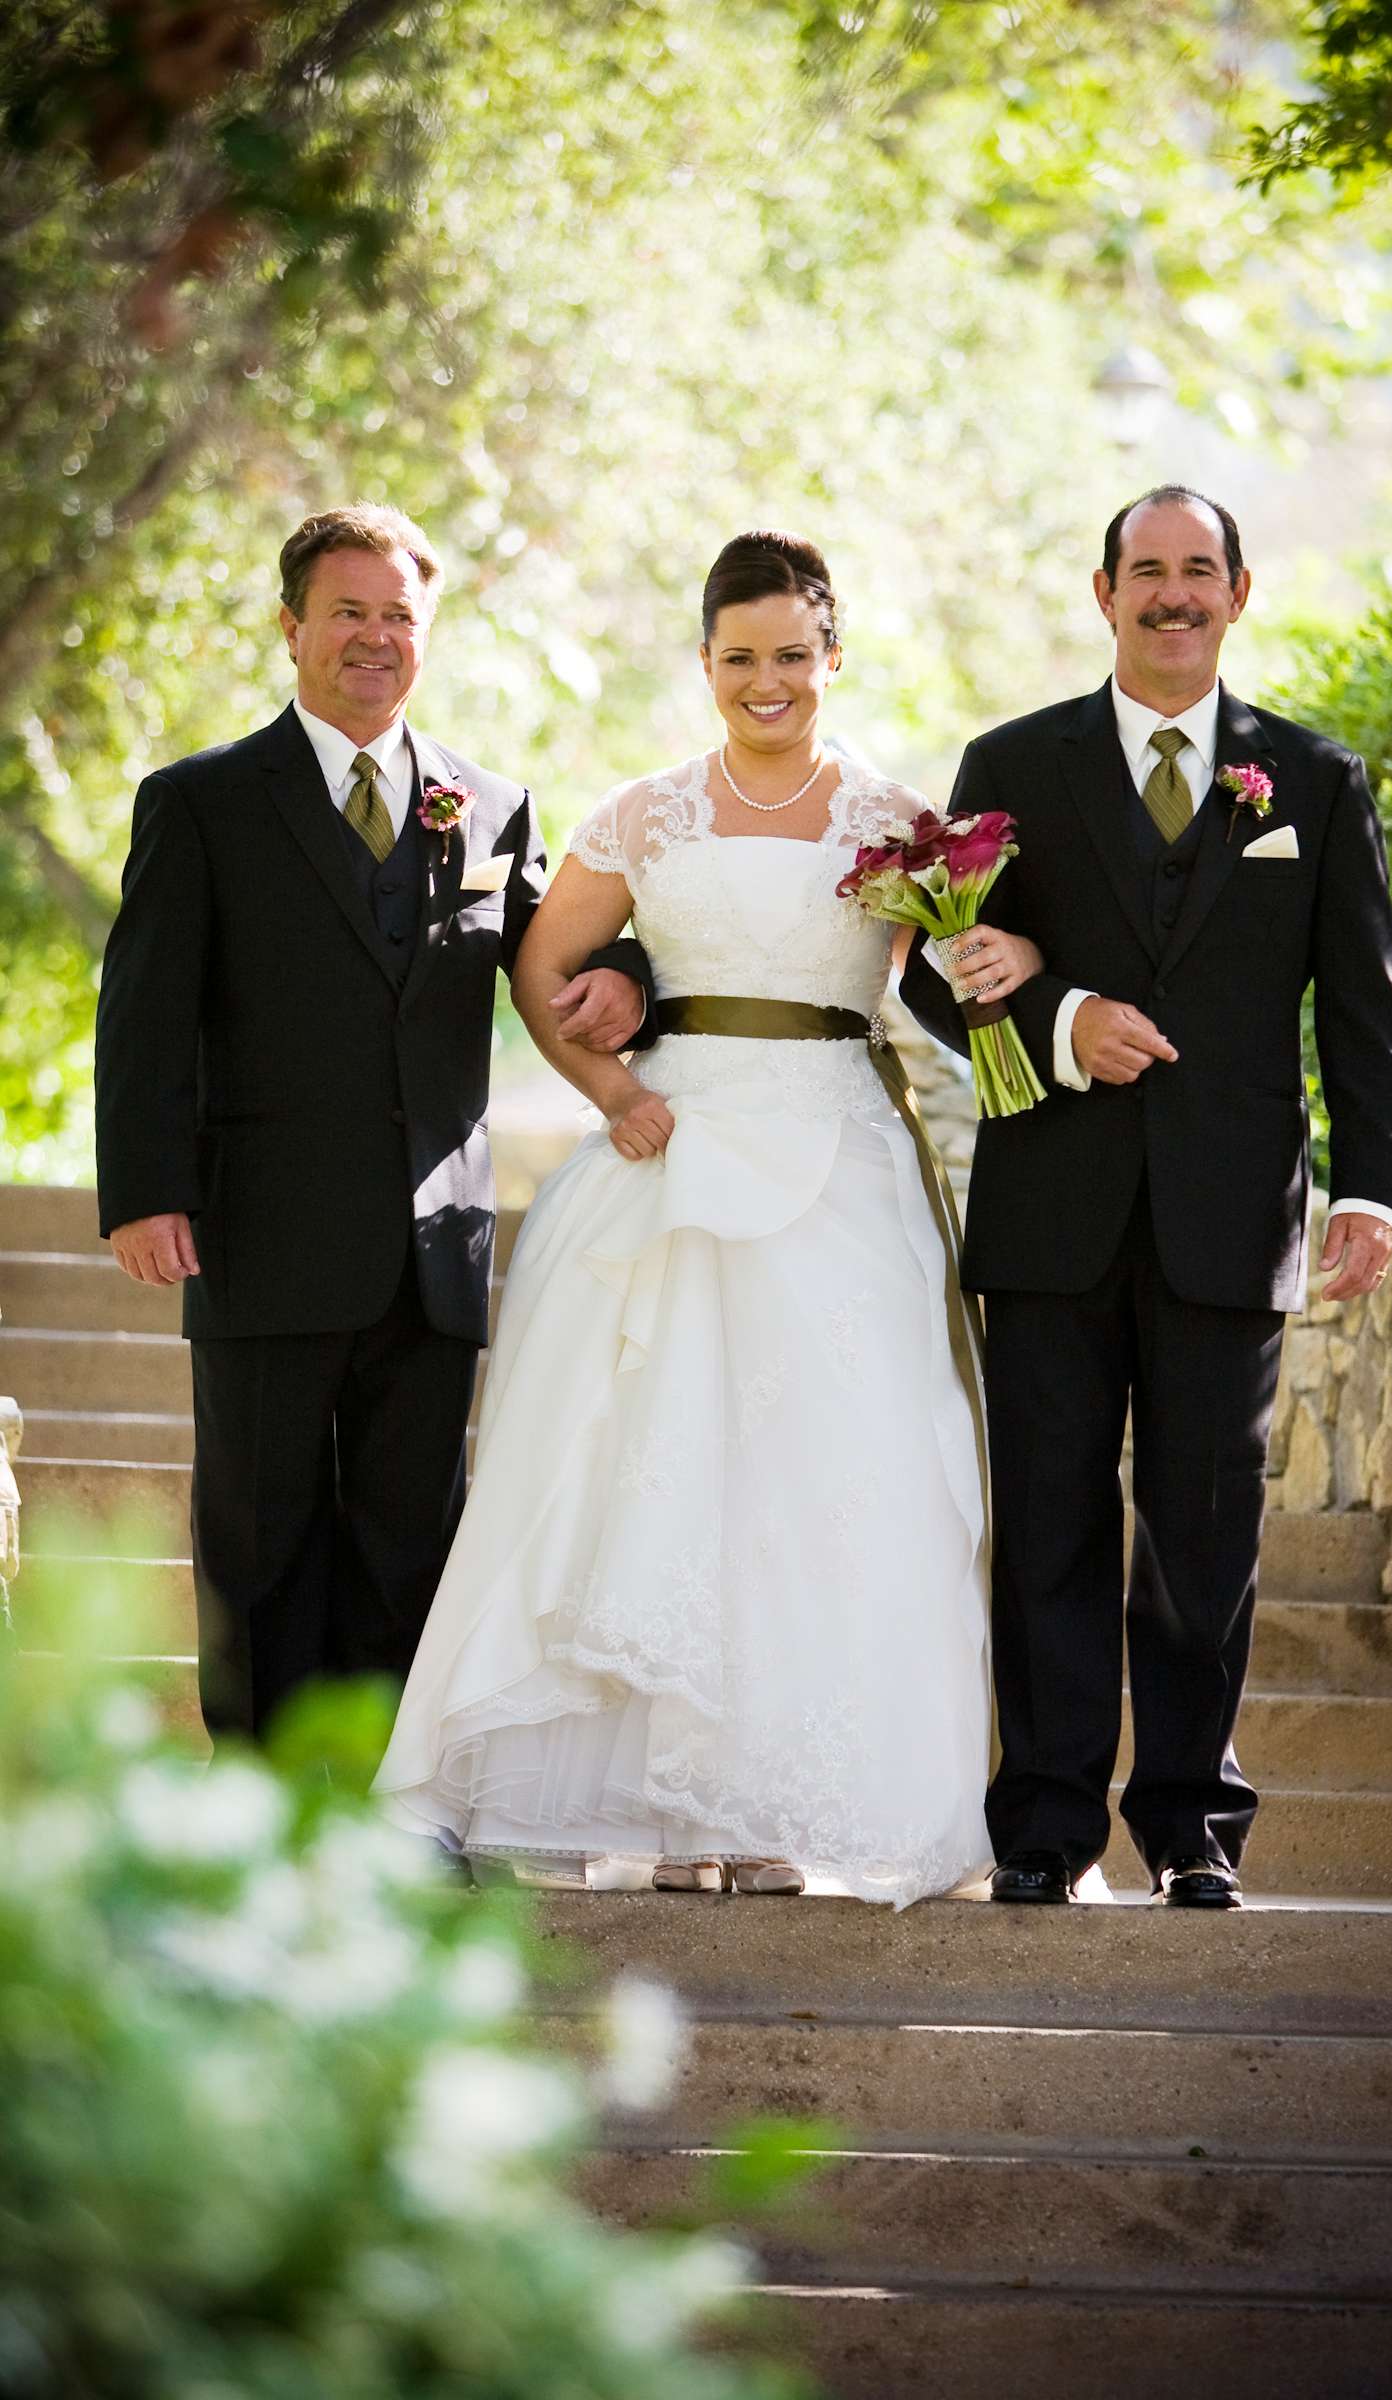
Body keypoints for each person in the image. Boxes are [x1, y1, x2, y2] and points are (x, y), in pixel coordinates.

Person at [374, 530, 992, 1906]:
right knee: (653, 1467)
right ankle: (662, 1804)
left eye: (790, 655)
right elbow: (540, 968)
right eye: (737, 659)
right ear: (704, 663)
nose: (764, 682)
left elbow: (939, 983)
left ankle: (766, 1805)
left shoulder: (895, 822)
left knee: (818, 1480)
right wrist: (607, 1087)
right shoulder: (647, 811)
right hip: (676, 1149)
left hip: (838, 1155)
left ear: (835, 656)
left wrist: (997, 972)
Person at [900, 484, 1392, 1909]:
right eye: (1149, 570)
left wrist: (1375, 1188)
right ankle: (1045, 1828)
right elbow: (934, 972)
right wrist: (1063, 1023)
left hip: (1231, 1215)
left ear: (1239, 595)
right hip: (1052, 1213)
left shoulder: (1311, 782)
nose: (1173, 593)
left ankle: (1191, 1826)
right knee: (1051, 1522)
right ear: (1103, 591)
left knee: (1206, 1538)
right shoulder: (1011, 762)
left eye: (1201, 571)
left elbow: (1365, 1011)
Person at [95, 504, 651, 1742]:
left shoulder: (490, 808)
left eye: (399, 615)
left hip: (432, 1251)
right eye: (348, 611)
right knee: (260, 1540)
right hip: (258, 1237)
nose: (375, 637)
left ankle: (394, 1809)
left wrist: (630, 981)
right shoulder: (202, 803)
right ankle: (261, 1810)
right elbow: (142, 1011)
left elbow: (559, 963)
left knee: (412, 1548)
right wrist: (144, 1189)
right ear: (292, 628)